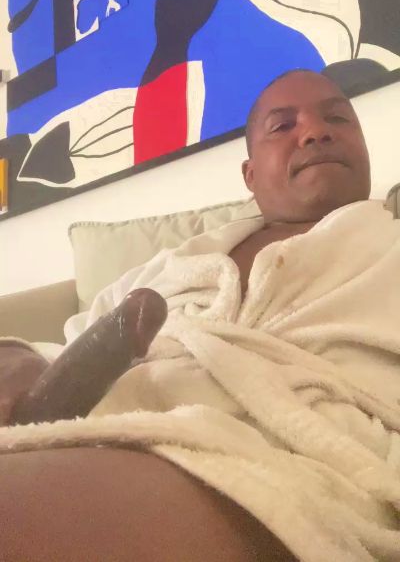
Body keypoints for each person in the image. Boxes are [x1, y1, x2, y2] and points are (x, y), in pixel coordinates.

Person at [1, 69, 399, 561]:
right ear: (250, 175)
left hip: (295, 469)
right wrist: (17, 355)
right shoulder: (174, 264)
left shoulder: (391, 244)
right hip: (97, 429)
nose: (316, 131)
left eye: (337, 119)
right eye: (282, 126)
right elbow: (75, 344)